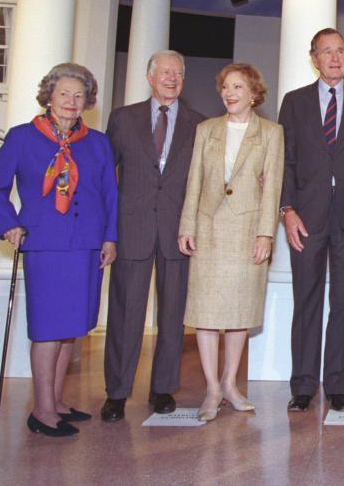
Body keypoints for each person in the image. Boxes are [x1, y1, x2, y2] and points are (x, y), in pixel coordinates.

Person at [0, 63, 118, 438]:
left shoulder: (98, 142)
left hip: (88, 246)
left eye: (79, 96)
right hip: (45, 245)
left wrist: (110, 238)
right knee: (47, 329)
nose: (72, 102)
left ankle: (56, 401)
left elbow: (110, 194)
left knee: (70, 328)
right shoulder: (22, 137)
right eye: (64, 94)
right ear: (49, 97)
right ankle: (41, 412)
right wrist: (8, 223)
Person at [278, 28, 344, 412]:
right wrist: (287, 211)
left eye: (340, 50)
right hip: (306, 217)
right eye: (327, 52)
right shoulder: (294, 102)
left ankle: (339, 383)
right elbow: (284, 162)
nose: (335, 58)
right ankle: (303, 384)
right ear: (314, 58)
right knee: (306, 300)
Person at [101, 50, 205, 423]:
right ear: (150, 77)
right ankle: (116, 392)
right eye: (165, 72)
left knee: (173, 315)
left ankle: (163, 388)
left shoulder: (200, 124)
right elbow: (104, 179)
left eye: (178, 73)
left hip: (179, 232)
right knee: (125, 314)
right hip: (133, 230)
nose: (172, 79)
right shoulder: (123, 119)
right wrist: (106, 232)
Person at [177, 63, 283, 422]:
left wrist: (265, 233)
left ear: (254, 94)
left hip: (246, 231)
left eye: (238, 87)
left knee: (240, 313)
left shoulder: (271, 133)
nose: (230, 93)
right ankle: (211, 389)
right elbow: (194, 180)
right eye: (226, 87)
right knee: (206, 314)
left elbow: (273, 189)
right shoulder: (206, 130)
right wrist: (186, 224)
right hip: (208, 229)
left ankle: (230, 385)